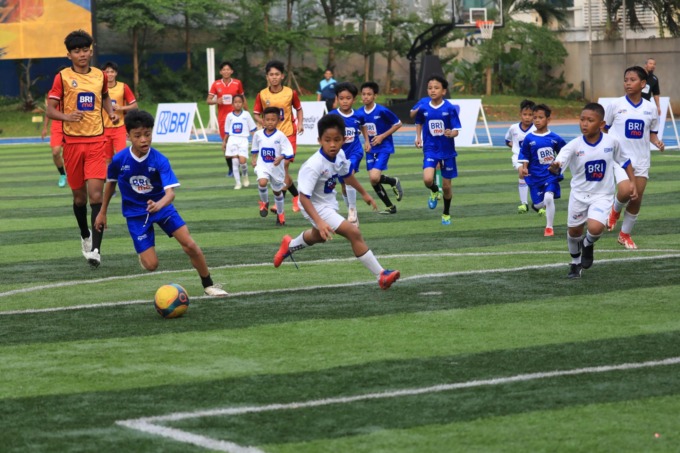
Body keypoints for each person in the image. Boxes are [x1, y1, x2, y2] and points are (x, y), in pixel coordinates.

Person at [93, 110, 228, 297]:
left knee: (190, 245)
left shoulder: (160, 160)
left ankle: (209, 285)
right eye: (138, 136)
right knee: (151, 265)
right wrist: (102, 212)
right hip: (135, 214)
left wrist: (159, 204)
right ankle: (143, 254)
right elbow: (111, 184)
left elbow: (170, 194)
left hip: (162, 208)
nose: (143, 140)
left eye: (147, 134)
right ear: (128, 136)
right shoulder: (119, 160)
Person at [272, 113, 400, 290]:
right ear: (319, 140)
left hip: (327, 201)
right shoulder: (313, 165)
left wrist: (364, 194)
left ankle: (290, 245)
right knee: (353, 232)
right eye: (327, 140)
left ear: (344, 140)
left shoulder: (339, 154)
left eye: (337, 140)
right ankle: (381, 275)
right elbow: (303, 197)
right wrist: (319, 221)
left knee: (318, 237)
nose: (332, 144)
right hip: (312, 205)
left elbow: (347, 175)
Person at [46, 29, 118, 267]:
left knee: (96, 195)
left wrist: (111, 113)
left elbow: (105, 96)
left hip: (97, 142)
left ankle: (96, 249)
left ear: (91, 50)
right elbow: (50, 109)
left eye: (85, 50)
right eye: (77, 51)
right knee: (79, 199)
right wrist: (67, 116)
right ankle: (85, 233)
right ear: (69, 55)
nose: (82, 54)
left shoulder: (100, 75)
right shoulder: (62, 78)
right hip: (73, 145)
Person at [550, 103, 636, 279]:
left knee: (595, 229)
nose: (584, 124)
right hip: (579, 195)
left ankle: (588, 244)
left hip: (602, 195)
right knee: (574, 232)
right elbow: (559, 162)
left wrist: (632, 182)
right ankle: (575, 263)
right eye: (582, 119)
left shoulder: (611, 142)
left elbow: (625, 161)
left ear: (601, 124)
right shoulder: (574, 145)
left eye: (590, 120)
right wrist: (555, 166)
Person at [604, 65, 665, 249]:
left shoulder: (650, 108)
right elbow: (604, 130)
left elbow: (652, 134)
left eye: (632, 80)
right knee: (625, 191)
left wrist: (658, 142)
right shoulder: (615, 105)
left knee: (636, 198)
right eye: (625, 80)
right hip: (620, 159)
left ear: (643, 83)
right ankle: (615, 210)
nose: (628, 83)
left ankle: (624, 235)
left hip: (642, 159)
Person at [253, 60, 303, 212]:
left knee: (284, 164)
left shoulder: (290, 93)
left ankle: (277, 202)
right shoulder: (262, 94)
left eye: (277, 74)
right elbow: (256, 113)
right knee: (282, 171)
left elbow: (299, 109)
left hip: (288, 134)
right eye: (271, 74)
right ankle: (296, 196)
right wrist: (265, 123)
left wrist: (300, 123)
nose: (274, 77)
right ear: (267, 77)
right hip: (271, 137)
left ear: (282, 76)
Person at [413, 75, 462, 225]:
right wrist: (418, 137)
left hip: (447, 151)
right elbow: (419, 122)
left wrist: (451, 133)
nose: (432, 90)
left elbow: (456, 130)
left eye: (436, 88)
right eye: (430, 88)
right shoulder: (424, 107)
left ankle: (446, 213)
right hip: (430, 149)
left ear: (444, 91)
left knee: (447, 187)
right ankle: (434, 190)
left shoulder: (449, 108)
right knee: (428, 179)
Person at [517, 104, 567, 237]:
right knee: (539, 204)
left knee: (549, 198)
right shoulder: (529, 138)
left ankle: (549, 227)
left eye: (540, 117)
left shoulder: (555, 138)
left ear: (548, 119)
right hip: (535, 176)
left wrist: (559, 164)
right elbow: (525, 154)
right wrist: (525, 167)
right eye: (535, 118)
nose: (537, 120)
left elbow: (564, 153)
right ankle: (536, 206)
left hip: (550, 175)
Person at [357, 81, 403, 214]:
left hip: (384, 147)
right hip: (371, 148)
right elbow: (362, 127)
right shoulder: (359, 112)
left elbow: (398, 124)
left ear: (375, 96)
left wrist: (382, 136)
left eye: (369, 94)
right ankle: (390, 206)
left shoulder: (382, 110)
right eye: (364, 94)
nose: (366, 97)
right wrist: (365, 141)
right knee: (373, 180)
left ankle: (393, 181)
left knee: (374, 177)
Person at [329, 81, 368, 225]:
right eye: (341, 98)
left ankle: (352, 210)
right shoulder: (332, 116)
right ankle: (352, 211)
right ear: (337, 99)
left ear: (354, 99)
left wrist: (367, 141)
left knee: (349, 176)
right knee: (344, 186)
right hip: (339, 155)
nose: (345, 101)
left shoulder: (358, 115)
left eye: (348, 98)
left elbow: (363, 126)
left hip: (354, 152)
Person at [251, 106, 295, 226]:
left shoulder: (280, 136)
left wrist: (280, 158)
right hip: (262, 165)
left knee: (277, 192)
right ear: (263, 121)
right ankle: (264, 202)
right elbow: (255, 148)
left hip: (276, 168)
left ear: (278, 121)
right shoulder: (258, 134)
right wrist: (253, 159)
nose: (270, 122)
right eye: (267, 119)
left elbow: (288, 151)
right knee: (262, 182)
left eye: (273, 120)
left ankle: (280, 213)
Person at [206, 61, 246, 177]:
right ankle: (231, 169)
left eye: (228, 69)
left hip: (237, 118)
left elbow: (243, 98)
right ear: (220, 72)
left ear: (231, 71)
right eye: (224, 69)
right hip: (223, 119)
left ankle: (238, 167)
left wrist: (247, 112)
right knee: (226, 144)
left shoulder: (237, 83)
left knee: (238, 143)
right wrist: (216, 101)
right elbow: (208, 100)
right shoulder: (216, 84)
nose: (226, 71)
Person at [101, 61, 137, 162]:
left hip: (119, 127)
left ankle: (123, 173)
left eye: (112, 72)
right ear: (103, 73)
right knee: (107, 159)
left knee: (122, 156)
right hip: (103, 128)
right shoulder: (98, 88)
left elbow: (135, 106)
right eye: (107, 72)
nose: (109, 74)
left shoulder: (123, 87)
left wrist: (121, 108)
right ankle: (110, 173)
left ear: (116, 73)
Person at [505, 99, 536, 213]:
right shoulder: (513, 128)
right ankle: (524, 204)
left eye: (530, 115)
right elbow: (507, 140)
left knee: (535, 179)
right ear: (520, 114)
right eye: (525, 114)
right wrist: (516, 148)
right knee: (522, 172)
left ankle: (539, 204)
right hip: (518, 157)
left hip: (533, 159)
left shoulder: (536, 129)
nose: (527, 117)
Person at [223, 94, 256, 190]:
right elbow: (227, 131)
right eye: (235, 102)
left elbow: (252, 128)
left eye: (239, 102)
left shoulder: (246, 114)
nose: (237, 104)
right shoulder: (229, 116)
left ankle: (245, 176)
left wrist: (256, 140)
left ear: (242, 103)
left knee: (242, 161)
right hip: (232, 139)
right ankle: (238, 183)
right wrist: (224, 142)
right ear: (232, 104)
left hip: (243, 139)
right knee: (234, 161)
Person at [41, 88, 67, 188]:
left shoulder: (75, 88)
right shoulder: (52, 92)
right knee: (56, 152)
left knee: (72, 154)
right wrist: (45, 127)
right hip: (57, 125)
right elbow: (49, 110)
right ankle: (62, 174)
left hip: (71, 124)